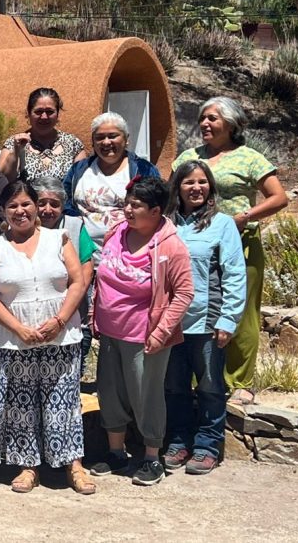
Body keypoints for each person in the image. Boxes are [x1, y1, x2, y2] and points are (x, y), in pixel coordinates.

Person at [0, 181, 94, 495]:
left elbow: (77, 281)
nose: (20, 211)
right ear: (4, 212)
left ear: (36, 208)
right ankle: (28, 466)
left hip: (62, 335)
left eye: (26, 204)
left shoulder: (59, 238)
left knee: (64, 402)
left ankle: (74, 466)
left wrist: (59, 321)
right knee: (21, 403)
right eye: (13, 206)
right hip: (14, 341)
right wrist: (19, 328)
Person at [172, 97, 288, 404]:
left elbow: (279, 197)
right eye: (203, 118)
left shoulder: (249, 158)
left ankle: (240, 381)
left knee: (242, 312)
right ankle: (204, 376)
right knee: (198, 310)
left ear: (232, 124)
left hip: (241, 243)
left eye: (213, 118)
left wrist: (243, 218)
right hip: (194, 246)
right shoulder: (189, 156)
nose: (205, 124)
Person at [90, 177, 194, 487]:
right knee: (110, 393)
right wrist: (95, 313)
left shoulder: (170, 245)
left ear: (156, 210)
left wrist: (161, 332)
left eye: (136, 205)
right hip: (110, 331)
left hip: (145, 335)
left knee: (145, 396)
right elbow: (103, 278)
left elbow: (184, 292)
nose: (128, 210)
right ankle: (116, 452)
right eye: (128, 202)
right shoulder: (117, 232)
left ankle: (151, 457)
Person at [163, 160, 246, 475]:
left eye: (201, 182)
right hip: (170, 324)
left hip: (207, 321)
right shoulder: (166, 223)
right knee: (174, 386)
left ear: (210, 186)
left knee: (210, 387)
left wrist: (228, 319)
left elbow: (235, 274)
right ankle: (180, 440)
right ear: (178, 187)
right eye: (188, 183)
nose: (195, 188)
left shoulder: (222, 223)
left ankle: (207, 446)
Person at [62, 112, 160, 261]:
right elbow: (65, 201)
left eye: (113, 136)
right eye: (100, 137)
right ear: (93, 142)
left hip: (129, 260)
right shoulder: (79, 170)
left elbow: (156, 208)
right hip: (85, 260)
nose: (106, 142)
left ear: (126, 139)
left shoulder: (143, 170)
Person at [31, 176, 97, 368]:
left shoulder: (75, 226)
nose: (47, 210)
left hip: (72, 316)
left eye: (54, 204)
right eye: (41, 203)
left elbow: (86, 269)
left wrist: (64, 310)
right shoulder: (21, 227)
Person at [0, 87, 88, 182]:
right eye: (38, 111)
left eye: (49, 112)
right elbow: (3, 180)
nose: (44, 117)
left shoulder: (73, 144)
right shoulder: (13, 143)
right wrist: (16, 152)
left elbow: (81, 183)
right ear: (28, 113)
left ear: (57, 114)